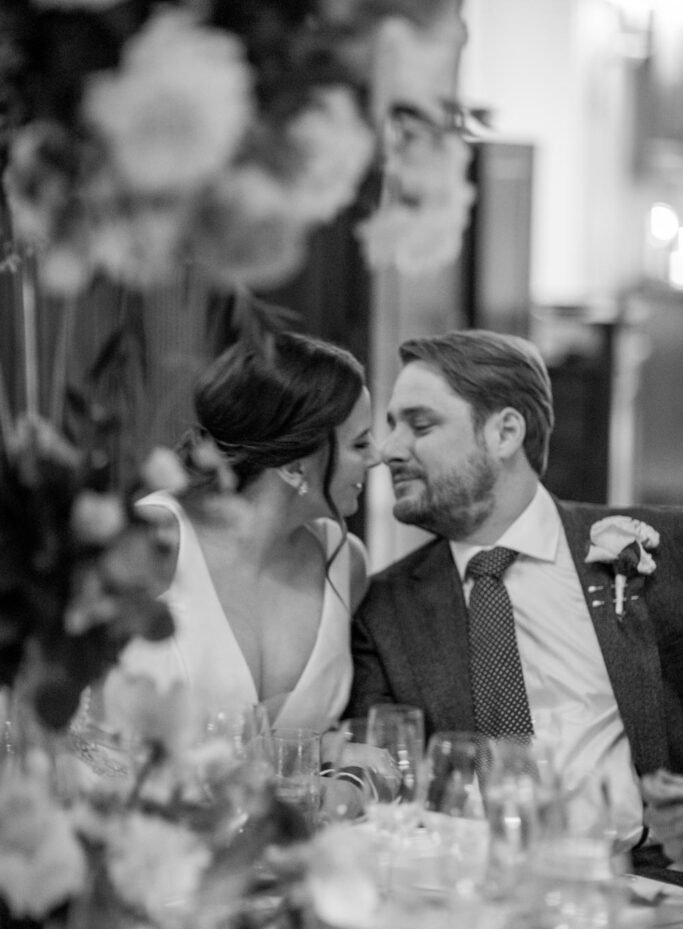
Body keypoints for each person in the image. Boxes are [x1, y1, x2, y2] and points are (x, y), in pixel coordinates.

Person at [346, 328, 683, 870]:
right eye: (390, 427)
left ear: (504, 432)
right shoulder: (384, 609)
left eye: (421, 425)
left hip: (655, 884)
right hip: (474, 895)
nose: (388, 451)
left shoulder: (662, 549)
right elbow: (381, 770)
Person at [107, 327, 380, 740]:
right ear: (294, 465)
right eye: (360, 444)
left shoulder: (345, 563)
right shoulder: (153, 540)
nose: (377, 457)